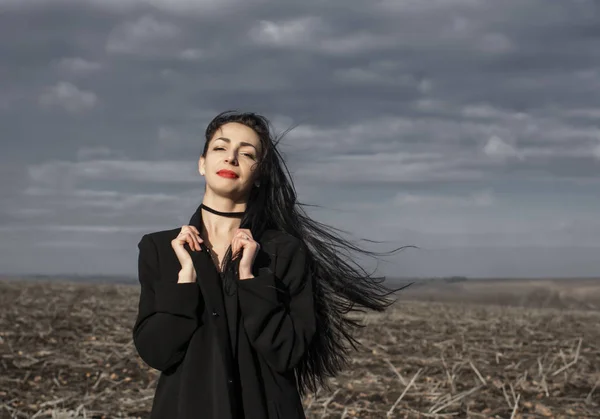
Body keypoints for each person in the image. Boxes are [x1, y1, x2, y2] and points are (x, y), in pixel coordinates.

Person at [132, 111, 412, 419]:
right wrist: (184, 280)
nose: (232, 158)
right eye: (220, 148)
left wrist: (250, 278)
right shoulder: (161, 249)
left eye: (247, 153)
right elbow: (157, 352)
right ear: (201, 163)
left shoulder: (284, 251)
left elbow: (287, 352)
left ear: (260, 173)